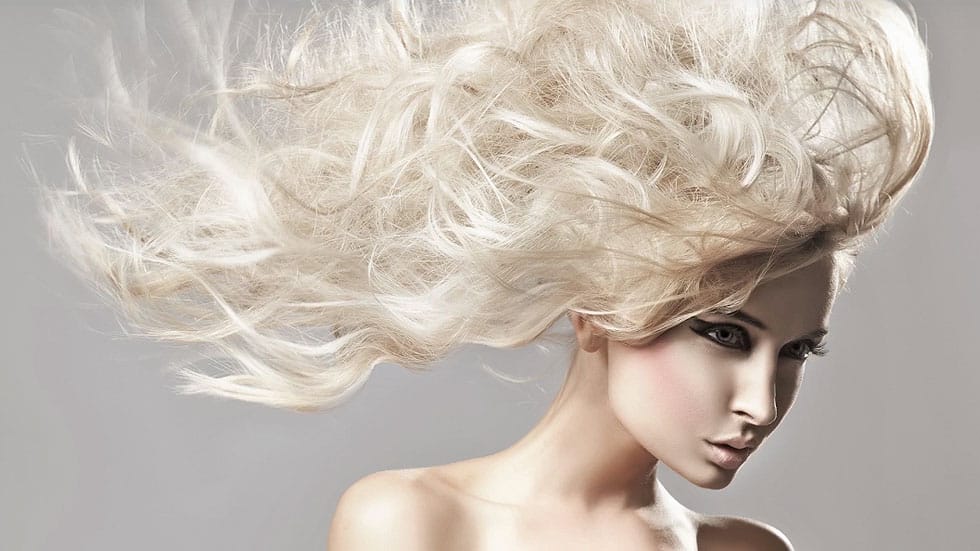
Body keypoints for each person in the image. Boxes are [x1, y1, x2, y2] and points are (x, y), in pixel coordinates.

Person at [35, 0, 933, 548]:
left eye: (796, 352)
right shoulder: (412, 524)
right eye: (727, 334)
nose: (762, 402)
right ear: (598, 305)